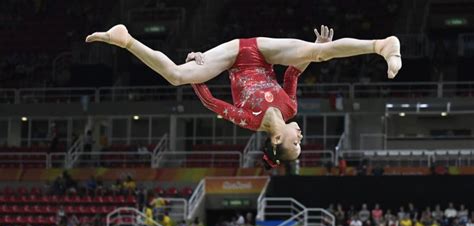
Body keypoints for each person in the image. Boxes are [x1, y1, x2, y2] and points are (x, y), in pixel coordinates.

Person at [86, 24, 401, 166]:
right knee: (320, 53)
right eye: (301, 142)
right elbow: (292, 72)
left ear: (278, 140)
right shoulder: (290, 107)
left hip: (233, 56)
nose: (301, 136)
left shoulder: (250, 121)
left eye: (296, 143)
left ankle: (125, 40)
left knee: (177, 76)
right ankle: (380, 45)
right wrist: (312, 48)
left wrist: (197, 70)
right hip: (264, 52)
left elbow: (212, 102)